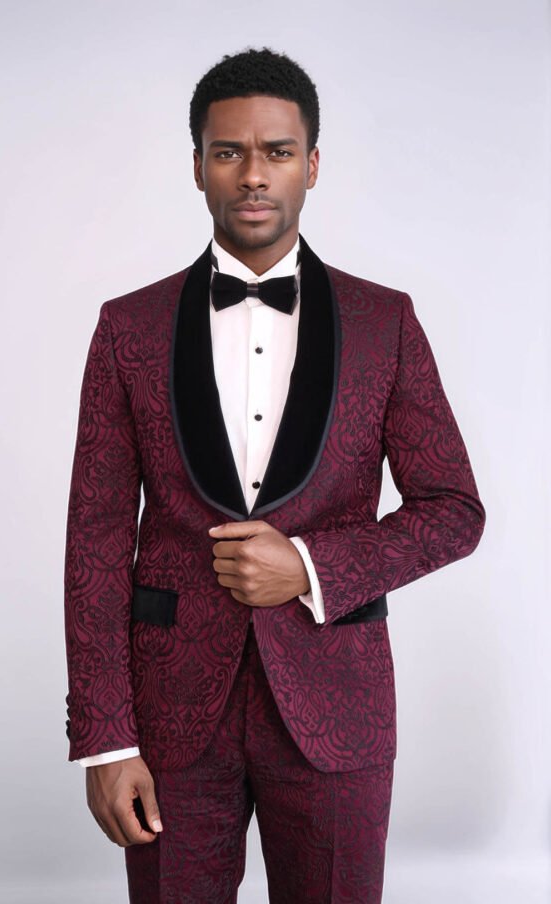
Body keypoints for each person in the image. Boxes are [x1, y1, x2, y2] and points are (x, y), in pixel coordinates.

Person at [64, 47, 485, 904]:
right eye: (229, 152)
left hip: (338, 708)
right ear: (197, 166)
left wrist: (311, 567)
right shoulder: (127, 328)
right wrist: (106, 740)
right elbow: (95, 543)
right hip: (171, 718)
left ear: (312, 165)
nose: (253, 175)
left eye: (278, 152)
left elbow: (453, 509)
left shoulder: (384, 322)